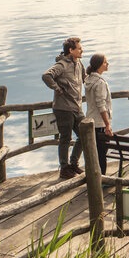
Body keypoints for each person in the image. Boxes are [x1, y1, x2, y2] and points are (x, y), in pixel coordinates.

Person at [42, 37, 86, 179]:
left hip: (77, 107)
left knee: (85, 135)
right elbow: (46, 76)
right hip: (63, 108)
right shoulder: (62, 64)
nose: (82, 50)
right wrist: (57, 89)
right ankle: (64, 168)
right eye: (79, 48)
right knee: (65, 139)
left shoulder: (79, 63)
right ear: (70, 50)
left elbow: (85, 78)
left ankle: (74, 164)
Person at [85, 53, 113, 175]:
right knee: (102, 154)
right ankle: (102, 179)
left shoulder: (88, 80)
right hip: (100, 123)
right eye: (105, 62)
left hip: (90, 121)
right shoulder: (100, 83)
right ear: (99, 65)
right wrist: (107, 124)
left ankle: (93, 177)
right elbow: (101, 105)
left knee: (94, 154)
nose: (107, 64)